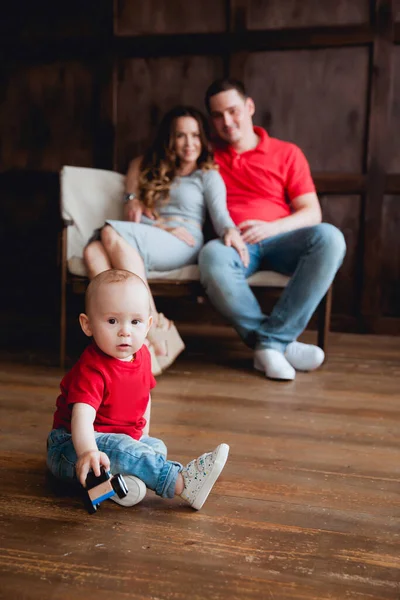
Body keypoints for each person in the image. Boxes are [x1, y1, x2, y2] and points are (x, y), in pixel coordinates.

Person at [198, 78, 347, 381]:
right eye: (217, 115)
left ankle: (271, 341)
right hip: (235, 246)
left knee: (331, 238)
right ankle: (277, 344)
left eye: (233, 111)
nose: (226, 122)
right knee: (212, 256)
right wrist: (132, 196)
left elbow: (312, 212)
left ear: (249, 107)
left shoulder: (287, 153)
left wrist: (271, 228)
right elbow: (146, 161)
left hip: (283, 240)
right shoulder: (204, 154)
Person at [46, 269, 229, 511]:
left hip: (114, 441)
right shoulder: (91, 369)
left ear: (148, 325)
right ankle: (182, 484)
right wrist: (88, 451)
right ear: (87, 325)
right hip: (72, 446)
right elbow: (82, 418)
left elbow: (145, 397)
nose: (125, 331)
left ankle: (118, 487)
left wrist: (143, 436)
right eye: (112, 321)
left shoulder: (142, 355)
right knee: (126, 450)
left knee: (154, 448)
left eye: (135, 322)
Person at [84, 105, 246, 376]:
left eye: (195, 135)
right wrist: (157, 223)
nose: (189, 143)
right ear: (169, 139)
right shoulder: (147, 168)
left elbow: (221, 217)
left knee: (109, 233)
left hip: (184, 241)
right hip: (152, 234)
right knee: (92, 252)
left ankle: (152, 322)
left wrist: (231, 232)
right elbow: (133, 215)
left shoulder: (207, 175)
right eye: (181, 136)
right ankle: (125, 342)